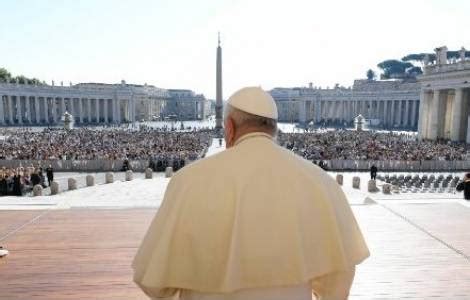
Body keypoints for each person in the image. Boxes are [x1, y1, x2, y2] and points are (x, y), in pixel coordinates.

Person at [133, 87, 369, 300]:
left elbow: (153, 283)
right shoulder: (320, 182)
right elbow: (337, 284)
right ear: (274, 129)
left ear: (230, 128)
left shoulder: (187, 181)